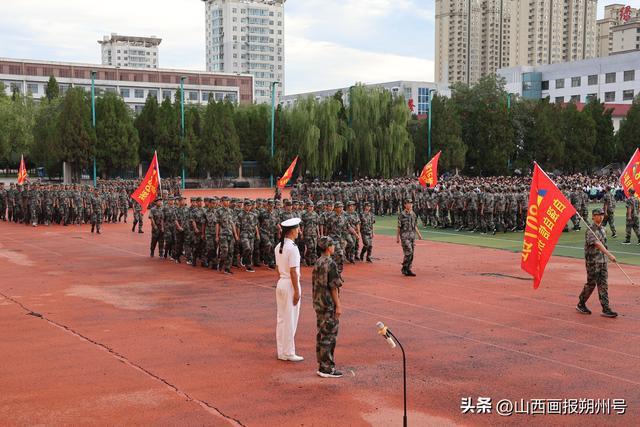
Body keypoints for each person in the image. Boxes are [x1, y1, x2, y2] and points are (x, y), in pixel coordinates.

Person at [577, 208, 619, 318]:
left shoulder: (603, 229)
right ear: (593, 216)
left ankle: (606, 308)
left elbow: (604, 244)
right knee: (591, 284)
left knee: (603, 284)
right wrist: (609, 255)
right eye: (598, 215)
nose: (600, 217)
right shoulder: (590, 230)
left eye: (602, 215)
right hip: (593, 262)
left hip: (602, 261)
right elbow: (596, 244)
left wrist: (607, 257)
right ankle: (581, 303)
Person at [313, 236, 343, 378]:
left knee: (321, 334)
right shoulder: (330, 263)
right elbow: (333, 287)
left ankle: (322, 364)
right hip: (328, 304)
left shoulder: (318, 262)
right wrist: (338, 305)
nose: (334, 247)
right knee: (329, 336)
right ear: (328, 248)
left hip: (319, 303)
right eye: (332, 245)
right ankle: (326, 367)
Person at [275, 217, 303, 362]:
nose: (299, 231)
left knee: (281, 319)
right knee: (290, 319)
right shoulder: (292, 248)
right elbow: (293, 271)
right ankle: (289, 352)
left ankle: (282, 351)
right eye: (297, 228)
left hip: (281, 282)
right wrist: (297, 290)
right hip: (290, 284)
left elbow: (277, 268)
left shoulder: (278, 246)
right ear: (292, 231)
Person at [397, 198, 423, 276]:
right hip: (404, 236)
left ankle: (408, 269)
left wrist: (419, 234)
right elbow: (398, 226)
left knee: (411, 254)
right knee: (409, 252)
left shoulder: (413, 214)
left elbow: (414, 226)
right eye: (408, 203)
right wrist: (397, 238)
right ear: (405, 205)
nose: (410, 205)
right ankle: (405, 267)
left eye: (411, 203)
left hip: (412, 236)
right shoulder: (402, 214)